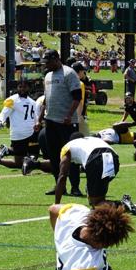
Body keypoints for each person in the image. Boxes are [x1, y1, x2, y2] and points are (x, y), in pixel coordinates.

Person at [53, 132, 136, 213]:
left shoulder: (67, 147)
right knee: (98, 189)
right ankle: (110, 202)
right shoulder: (91, 139)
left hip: (96, 158)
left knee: (97, 205)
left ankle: (123, 205)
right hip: (113, 158)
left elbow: (62, 176)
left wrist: (56, 204)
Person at [37, 50, 83, 197]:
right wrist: (40, 118)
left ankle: (75, 187)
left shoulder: (69, 73)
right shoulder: (48, 76)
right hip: (51, 120)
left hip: (66, 122)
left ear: (56, 59)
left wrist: (69, 115)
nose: (46, 66)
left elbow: (77, 96)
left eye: (48, 62)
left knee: (72, 155)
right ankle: (59, 186)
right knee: (54, 155)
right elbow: (46, 98)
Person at [0, 79, 40, 170]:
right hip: (19, 135)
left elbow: (35, 117)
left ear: (29, 88)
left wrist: (37, 124)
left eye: (24, 87)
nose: (22, 89)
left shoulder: (33, 102)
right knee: (18, 163)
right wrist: (1, 121)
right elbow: (3, 113)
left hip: (32, 133)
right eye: (20, 87)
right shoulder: (12, 100)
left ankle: (6, 151)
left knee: (34, 157)